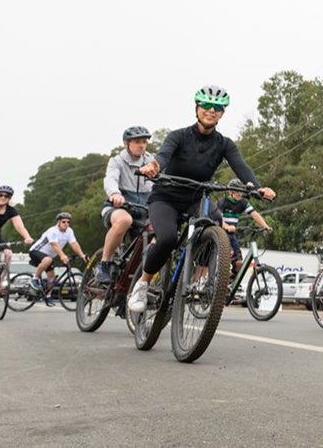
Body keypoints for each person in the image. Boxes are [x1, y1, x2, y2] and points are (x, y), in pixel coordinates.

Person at [127, 86, 276, 313]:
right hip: (166, 197)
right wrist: (153, 166)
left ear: (222, 113)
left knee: (216, 223)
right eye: (206, 106)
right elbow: (163, 156)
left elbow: (241, 167)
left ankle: (199, 275)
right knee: (167, 239)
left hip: (196, 198)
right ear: (197, 108)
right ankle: (143, 283)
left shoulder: (224, 144)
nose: (211, 111)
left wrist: (258, 188)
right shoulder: (178, 135)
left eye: (217, 108)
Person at [96, 126, 155, 283]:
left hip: (144, 211)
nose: (141, 145)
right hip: (118, 207)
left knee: (161, 233)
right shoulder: (116, 161)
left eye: (144, 142)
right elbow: (110, 179)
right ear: (126, 143)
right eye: (137, 142)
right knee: (124, 220)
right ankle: (104, 263)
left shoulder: (152, 162)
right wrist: (115, 193)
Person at [214, 179, 272, 274]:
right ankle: (218, 278)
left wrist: (266, 226)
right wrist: (226, 226)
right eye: (237, 191)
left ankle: (231, 283)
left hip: (231, 235)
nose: (239, 194)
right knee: (228, 255)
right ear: (230, 192)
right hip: (220, 233)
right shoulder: (223, 201)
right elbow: (218, 217)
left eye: (241, 191)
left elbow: (254, 214)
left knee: (239, 264)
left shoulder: (243, 203)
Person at [28, 213, 87, 299]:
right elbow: (54, 244)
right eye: (64, 222)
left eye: (68, 222)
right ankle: (34, 278)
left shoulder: (69, 231)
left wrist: (82, 255)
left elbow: (74, 244)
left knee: (51, 276)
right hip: (36, 251)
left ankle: (48, 295)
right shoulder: (53, 231)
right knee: (48, 259)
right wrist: (62, 256)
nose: (66, 224)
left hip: (48, 256)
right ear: (58, 222)